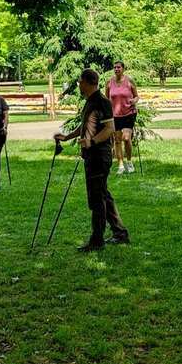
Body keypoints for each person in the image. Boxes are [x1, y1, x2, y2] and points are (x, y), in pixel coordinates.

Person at [55, 68, 129, 252]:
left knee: (97, 198)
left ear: (88, 82)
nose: (78, 84)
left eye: (80, 81)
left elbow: (109, 128)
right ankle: (120, 233)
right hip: (92, 155)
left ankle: (97, 240)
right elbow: (86, 125)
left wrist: (91, 141)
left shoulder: (102, 101)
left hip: (99, 155)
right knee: (104, 195)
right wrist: (67, 137)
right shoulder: (90, 101)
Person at [105, 60, 140, 175]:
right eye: (115, 67)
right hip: (115, 115)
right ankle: (120, 164)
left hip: (129, 113)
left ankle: (129, 162)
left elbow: (136, 96)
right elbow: (106, 98)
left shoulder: (129, 80)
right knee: (117, 140)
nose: (116, 69)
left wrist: (134, 101)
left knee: (126, 138)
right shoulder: (109, 82)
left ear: (123, 69)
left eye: (119, 67)